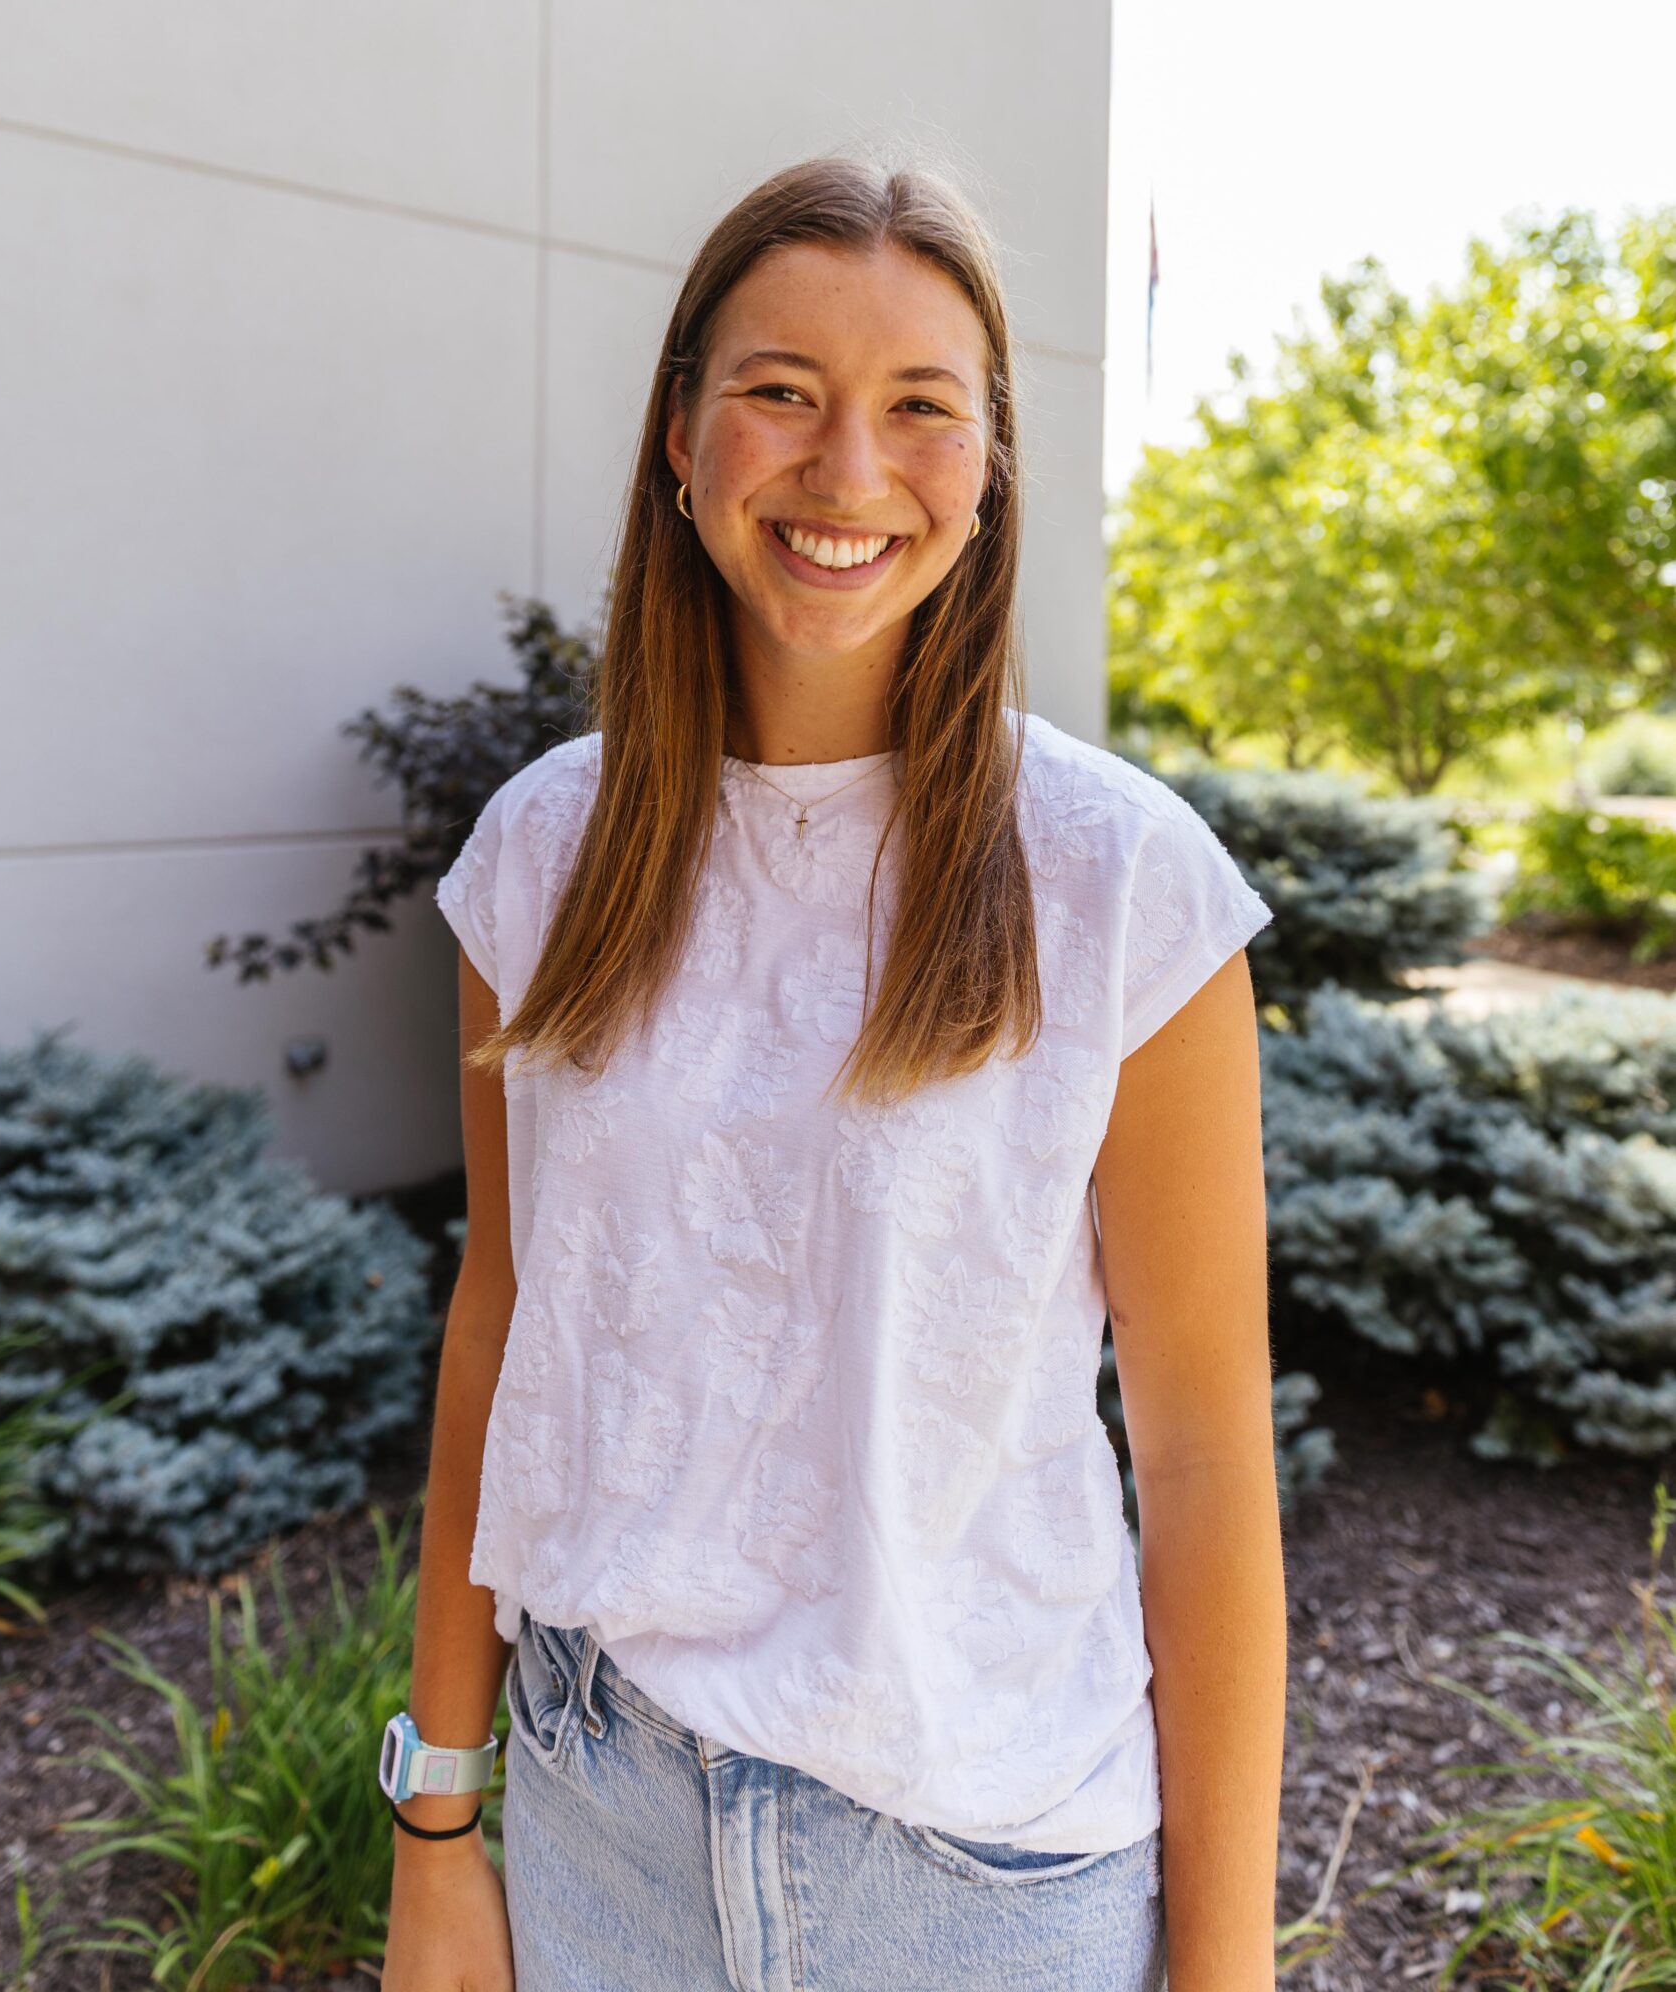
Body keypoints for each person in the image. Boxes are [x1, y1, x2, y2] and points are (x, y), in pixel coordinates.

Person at [380, 156, 1286, 1992]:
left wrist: (1228, 1969)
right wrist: (438, 1823)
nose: (848, 471)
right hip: (592, 1822)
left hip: (979, 1866)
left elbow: (1200, 1457)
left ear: (994, 461)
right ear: (682, 437)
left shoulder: (1121, 886)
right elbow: (500, 1325)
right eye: (782, 391)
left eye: (921, 408)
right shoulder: (539, 860)